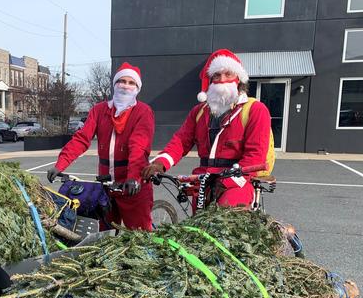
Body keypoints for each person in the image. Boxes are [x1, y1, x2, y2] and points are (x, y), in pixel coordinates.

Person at [141, 49, 272, 208]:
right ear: (210, 81)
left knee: (225, 220)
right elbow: (181, 141)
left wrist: (227, 182)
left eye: (228, 74)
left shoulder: (255, 110)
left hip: (238, 181)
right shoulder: (200, 112)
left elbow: (255, 156)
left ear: (238, 79)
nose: (222, 80)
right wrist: (160, 163)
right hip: (204, 179)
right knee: (199, 226)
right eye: (216, 76)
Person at [47, 62, 155, 230]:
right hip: (106, 187)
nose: (126, 86)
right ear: (115, 84)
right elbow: (82, 139)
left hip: (132, 185)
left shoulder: (143, 111)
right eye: (122, 81)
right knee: (104, 235)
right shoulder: (99, 110)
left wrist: (134, 177)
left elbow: (138, 146)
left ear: (137, 88)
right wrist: (60, 164)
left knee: (139, 235)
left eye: (131, 82)